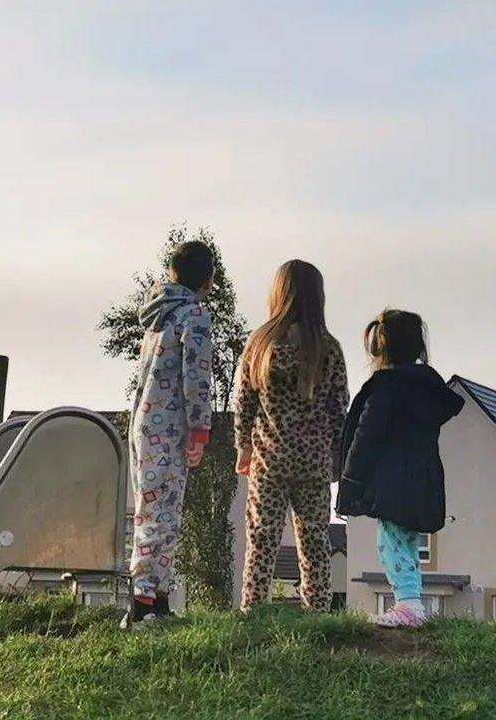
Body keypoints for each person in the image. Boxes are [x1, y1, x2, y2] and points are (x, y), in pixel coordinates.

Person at [336, 309, 463, 627]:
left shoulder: (387, 389)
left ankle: (408, 604)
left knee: (391, 540)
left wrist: (349, 482)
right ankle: (412, 601)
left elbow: (366, 437)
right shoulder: (427, 389)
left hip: (391, 481)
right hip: (422, 477)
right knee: (405, 541)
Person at [235, 260, 349, 613]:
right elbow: (338, 407)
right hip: (314, 459)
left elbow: (244, 402)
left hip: (270, 457)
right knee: (315, 539)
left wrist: (244, 448)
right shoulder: (328, 348)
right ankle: (316, 608)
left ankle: (252, 606)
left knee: (262, 537)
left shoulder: (260, 344)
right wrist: (337, 457)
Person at [124, 240, 214, 629]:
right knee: (162, 515)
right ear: (208, 278)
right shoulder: (194, 315)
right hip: (172, 426)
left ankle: (157, 598)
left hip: (145, 425)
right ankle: (142, 603)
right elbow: (196, 374)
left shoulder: (156, 317)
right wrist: (201, 426)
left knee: (158, 512)